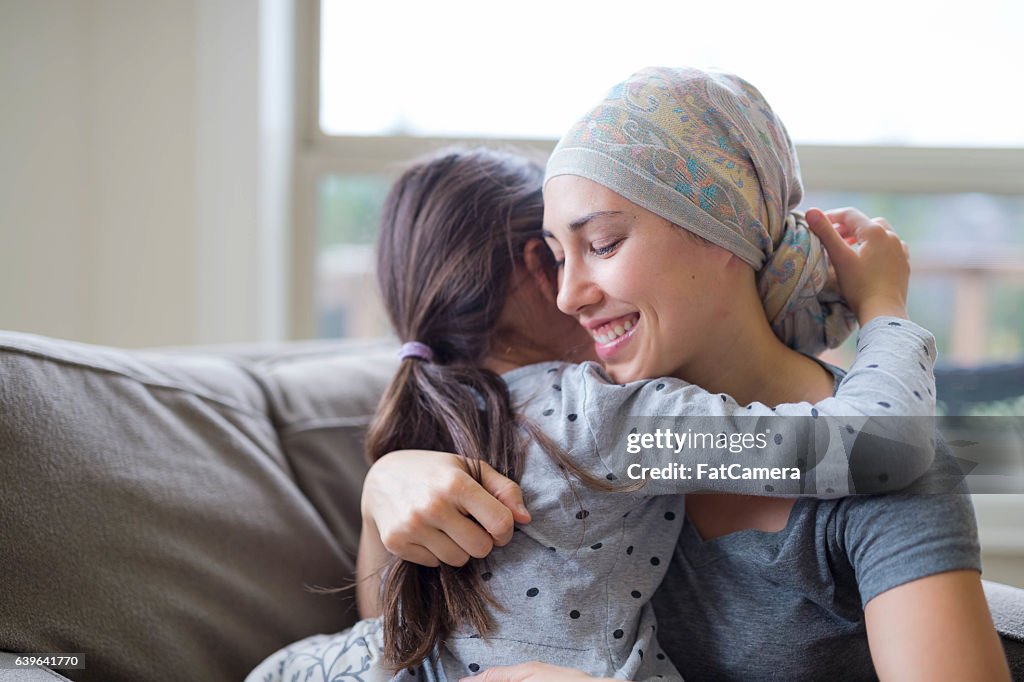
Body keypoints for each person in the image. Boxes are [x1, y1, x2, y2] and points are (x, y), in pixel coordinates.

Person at [354, 68, 1010, 682]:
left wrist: (887, 315)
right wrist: (384, 487)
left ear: (721, 228)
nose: (567, 296)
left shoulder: (880, 468)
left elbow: (879, 451)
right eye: (555, 259)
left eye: (604, 243)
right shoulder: (578, 429)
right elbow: (391, 640)